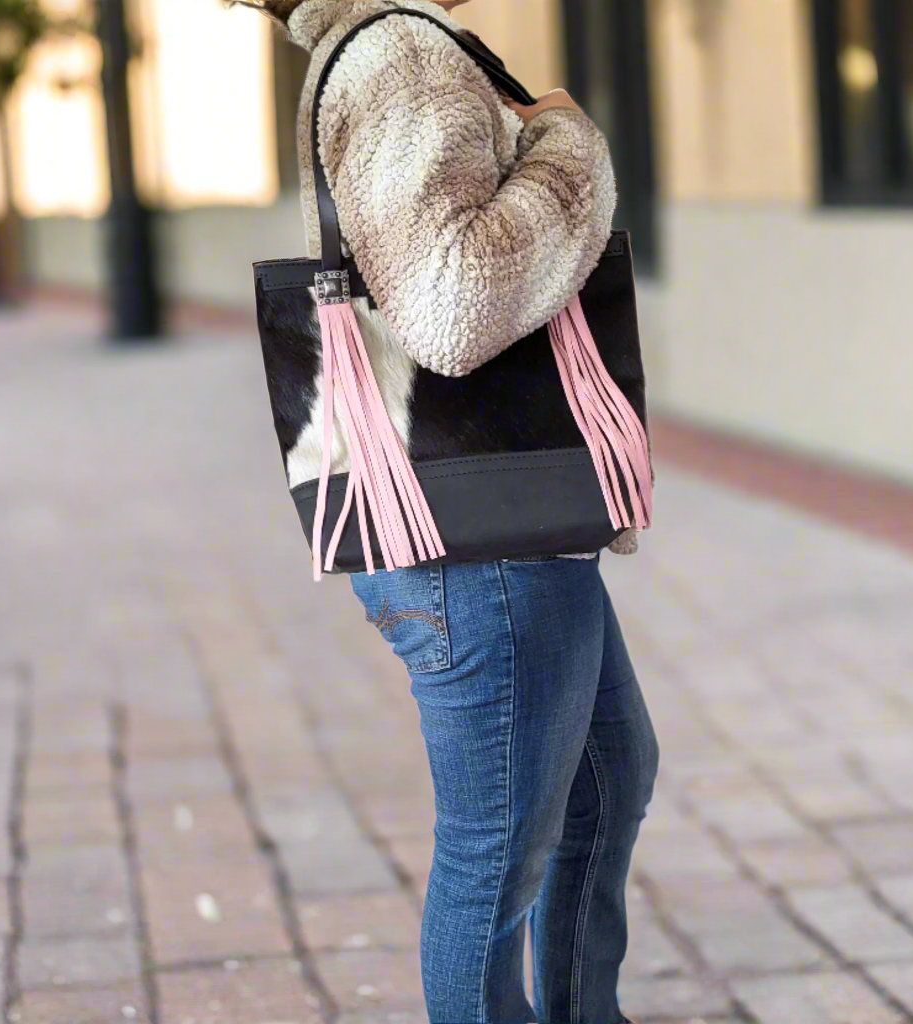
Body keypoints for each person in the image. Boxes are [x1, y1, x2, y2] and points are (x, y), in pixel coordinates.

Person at [238, 2, 658, 1021]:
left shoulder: (394, 49)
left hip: (490, 536)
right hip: (477, 546)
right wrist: (565, 144)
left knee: (606, 777)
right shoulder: (401, 58)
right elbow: (452, 307)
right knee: (495, 854)